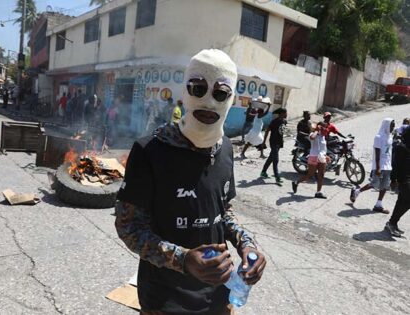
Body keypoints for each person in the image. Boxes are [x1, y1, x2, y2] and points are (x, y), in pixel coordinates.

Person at [115, 49, 266, 315]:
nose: (209, 102)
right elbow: (129, 227)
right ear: (185, 92)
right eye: (199, 89)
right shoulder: (150, 150)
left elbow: (223, 212)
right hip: (164, 300)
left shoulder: (226, 149)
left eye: (220, 94)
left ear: (230, 98)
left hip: (218, 296)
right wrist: (183, 259)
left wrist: (247, 244)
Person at [350, 118, 395, 214]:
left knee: (385, 186)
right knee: (375, 184)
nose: (393, 127)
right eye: (392, 125)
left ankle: (378, 205)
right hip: (379, 165)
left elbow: (389, 153)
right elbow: (377, 153)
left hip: (387, 166)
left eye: (393, 125)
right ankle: (357, 191)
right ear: (386, 125)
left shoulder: (390, 137)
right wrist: (378, 167)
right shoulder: (378, 137)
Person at [292, 122, 329, 199]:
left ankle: (318, 192)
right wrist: (316, 130)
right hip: (313, 157)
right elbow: (312, 138)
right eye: (324, 127)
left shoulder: (323, 137)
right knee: (310, 174)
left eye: (326, 127)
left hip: (321, 157)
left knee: (321, 175)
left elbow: (323, 148)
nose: (325, 129)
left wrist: (326, 156)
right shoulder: (313, 134)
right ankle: (296, 182)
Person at [385, 126, 410, 236]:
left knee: (401, 201)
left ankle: (392, 223)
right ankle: (392, 223)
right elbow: (395, 165)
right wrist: (393, 179)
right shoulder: (402, 147)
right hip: (404, 178)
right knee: (407, 201)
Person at [260, 107, 287, 185]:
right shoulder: (274, 121)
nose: (286, 114)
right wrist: (264, 141)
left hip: (279, 142)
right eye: (285, 113)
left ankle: (263, 172)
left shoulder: (284, 121)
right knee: (276, 160)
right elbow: (267, 130)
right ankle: (277, 177)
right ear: (282, 113)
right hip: (273, 142)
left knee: (271, 158)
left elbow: (281, 132)